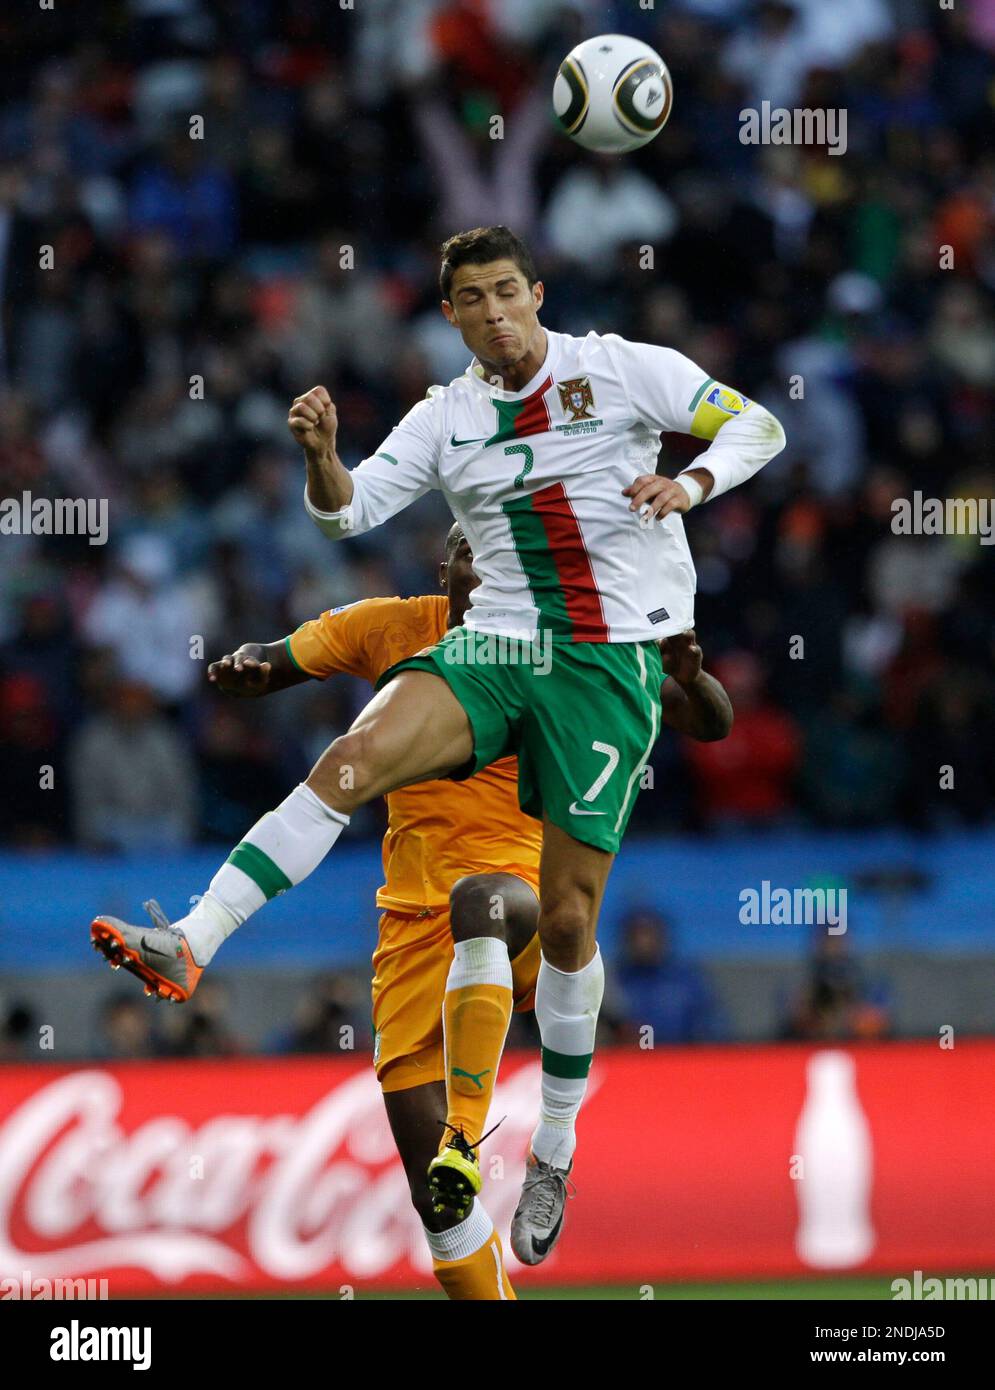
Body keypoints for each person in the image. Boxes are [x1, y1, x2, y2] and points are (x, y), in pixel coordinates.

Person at [89, 223, 783, 1290]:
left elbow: (756, 427)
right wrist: (322, 460)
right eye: (472, 299)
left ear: (535, 292)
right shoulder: (446, 415)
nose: (494, 312)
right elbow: (350, 511)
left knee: (562, 922)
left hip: (603, 663)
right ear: (450, 314)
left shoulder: (617, 368)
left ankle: (550, 1146)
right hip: (498, 642)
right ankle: (192, 938)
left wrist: (687, 488)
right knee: (351, 760)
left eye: (508, 291)